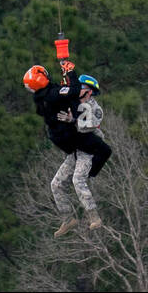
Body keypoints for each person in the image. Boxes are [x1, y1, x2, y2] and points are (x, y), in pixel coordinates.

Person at [49, 73, 109, 234]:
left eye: (81, 88)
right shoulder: (73, 103)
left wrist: (72, 120)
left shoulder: (94, 109)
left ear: (89, 92)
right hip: (75, 150)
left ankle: (94, 216)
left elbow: (86, 127)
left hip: (88, 149)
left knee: (78, 180)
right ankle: (68, 219)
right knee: (56, 184)